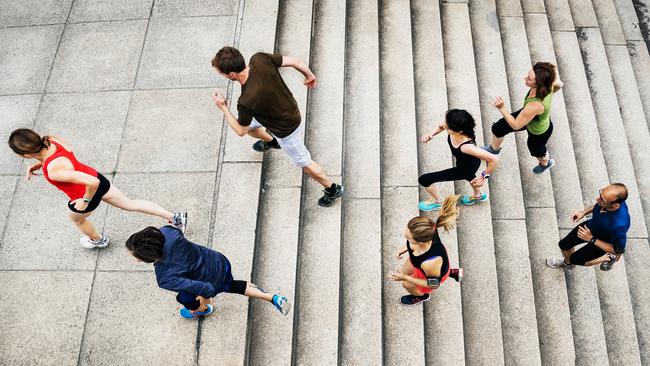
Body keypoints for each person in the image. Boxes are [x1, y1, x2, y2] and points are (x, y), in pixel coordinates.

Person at [8, 129, 186, 249]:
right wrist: (39, 164)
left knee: (78, 220)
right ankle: (175, 217)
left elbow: (90, 183)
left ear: (26, 154)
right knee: (129, 203)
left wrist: (84, 202)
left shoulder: (54, 171)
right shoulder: (51, 139)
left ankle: (98, 240)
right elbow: (61, 159)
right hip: (98, 179)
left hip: (85, 194)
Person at [210, 46, 344, 207]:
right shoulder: (258, 59)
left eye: (222, 73)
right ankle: (271, 141)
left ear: (231, 74)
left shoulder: (246, 101)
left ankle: (332, 188)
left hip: (286, 129)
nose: (222, 75)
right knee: (251, 126)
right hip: (282, 109)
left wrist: (223, 107)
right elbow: (296, 62)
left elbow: (240, 130)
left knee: (305, 163)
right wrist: (309, 75)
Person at [126, 225, 291, 319]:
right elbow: (179, 232)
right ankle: (274, 298)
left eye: (138, 257)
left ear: (150, 256)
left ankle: (202, 311)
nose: (136, 260)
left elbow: (204, 289)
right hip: (219, 261)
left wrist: (203, 303)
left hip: (211, 281)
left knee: (183, 297)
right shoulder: (168, 232)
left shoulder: (164, 277)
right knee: (230, 284)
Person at [483, 62, 564, 174]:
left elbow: (516, 125)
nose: (525, 78)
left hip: (538, 131)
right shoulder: (549, 81)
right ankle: (493, 150)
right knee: (499, 128)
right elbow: (560, 84)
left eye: (529, 79)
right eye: (528, 75)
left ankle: (545, 163)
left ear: (539, 84)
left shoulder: (535, 105)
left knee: (536, 150)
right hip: (530, 116)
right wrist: (552, 92)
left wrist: (501, 108)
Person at [418, 109, 499, 211]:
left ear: (459, 131)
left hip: (466, 168)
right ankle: (478, 195)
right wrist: (431, 134)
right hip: (464, 161)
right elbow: (440, 126)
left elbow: (495, 159)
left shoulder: (467, 147)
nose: (444, 125)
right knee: (471, 177)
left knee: (424, 179)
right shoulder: (456, 125)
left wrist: (483, 176)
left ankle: (438, 203)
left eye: (448, 127)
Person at [389, 196, 464, 305]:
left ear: (420, 242)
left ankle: (422, 296)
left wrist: (406, 278)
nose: (405, 237)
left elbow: (434, 284)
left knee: (406, 284)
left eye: (408, 238)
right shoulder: (428, 230)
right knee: (404, 271)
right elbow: (413, 243)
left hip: (430, 268)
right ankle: (451, 272)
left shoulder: (430, 263)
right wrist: (405, 248)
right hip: (423, 262)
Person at [546, 183, 630, 271]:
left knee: (575, 259)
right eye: (600, 194)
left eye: (602, 200)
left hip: (601, 242)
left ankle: (607, 258)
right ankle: (568, 264)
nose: (597, 199)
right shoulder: (610, 201)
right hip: (590, 227)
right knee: (563, 245)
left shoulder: (619, 226)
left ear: (616, 205)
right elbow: (599, 205)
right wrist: (584, 212)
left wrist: (591, 239)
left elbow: (618, 251)